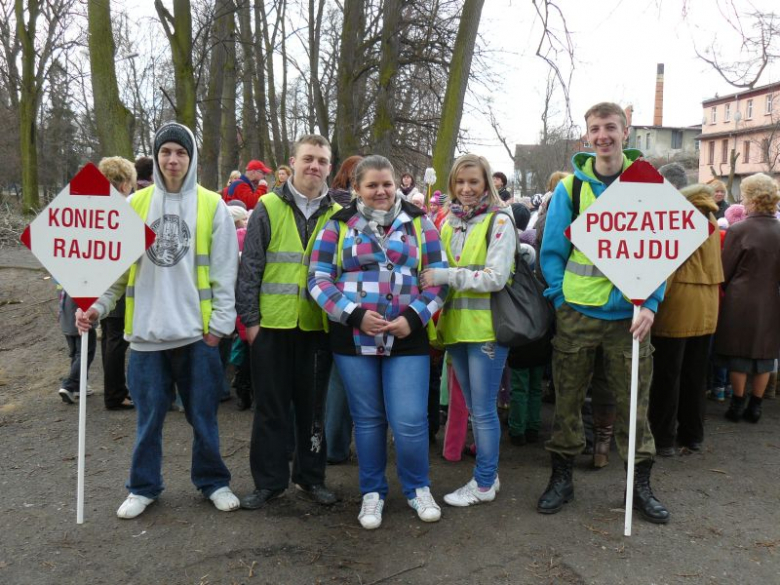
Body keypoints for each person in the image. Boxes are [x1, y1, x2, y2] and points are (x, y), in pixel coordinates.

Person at [76, 122, 240, 519]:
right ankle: (143, 486)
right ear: (156, 155)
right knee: (148, 420)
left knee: (203, 416)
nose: (172, 159)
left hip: (196, 335)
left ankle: (213, 481)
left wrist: (219, 326)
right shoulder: (135, 206)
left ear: (191, 157)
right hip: (147, 335)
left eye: (180, 153)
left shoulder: (211, 204)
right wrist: (95, 306)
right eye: (165, 151)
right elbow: (115, 272)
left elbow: (224, 270)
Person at [538, 102, 669, 524]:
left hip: (630, 319)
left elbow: (664, 251)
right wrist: (560, 299)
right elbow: (552, 252)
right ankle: (562, 479)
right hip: (576, 314)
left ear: (625, 132)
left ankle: (640, 487)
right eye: (595, 129)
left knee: (636, 405)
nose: (603, 136)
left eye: (610, 127)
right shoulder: (571, 190)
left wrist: (650, 303)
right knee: (568, 401)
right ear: (587, 136)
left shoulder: (649, 185)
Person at [308, 154, 449, 529]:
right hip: (353, 335)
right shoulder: (337, 226)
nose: (381, 191)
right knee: (367, 421)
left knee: (410, 420)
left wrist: (413, 317)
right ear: (356, 188)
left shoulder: (420, 223)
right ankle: (372, 492)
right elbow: (318, 280)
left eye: (386, 183)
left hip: (406, 335)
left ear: (397, 184)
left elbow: (438, 280)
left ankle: (418, 487)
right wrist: (354, 314)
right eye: (371, 185)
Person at [236, 134, 341, 510]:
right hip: (272, 328)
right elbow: (250, 269)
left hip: (317, 330)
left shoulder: (337, 214)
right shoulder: (266, 206)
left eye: (322, 161)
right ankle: (269, 482)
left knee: (314, 409)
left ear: (329, 167)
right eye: (308, 159)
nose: (314, 166)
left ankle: (311, 478)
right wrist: (250, 323)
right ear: (292, 162)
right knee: (270, 408)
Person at [420, 153, 516, 507]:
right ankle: (488, 474)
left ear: (487, 183)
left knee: (484, 409)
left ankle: (484, 482)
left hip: (487, 331)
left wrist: (445, 276)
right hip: (456, 329)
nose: (466, 189)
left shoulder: (499, 220)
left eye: (474, 182)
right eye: (460, 182)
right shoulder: (449, 222)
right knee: (477, 408)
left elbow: (495, 277)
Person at [648, 170, 724, 456]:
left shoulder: (679, 215)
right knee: (695, 374)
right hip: (707, 304)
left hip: (678, 305)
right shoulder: (710, 215)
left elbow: (667, 266)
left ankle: (663, 438)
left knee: (668, 375)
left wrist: (648, 301)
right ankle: (693, 434)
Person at [715, 173, 780, 424]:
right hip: (771, 298)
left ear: (750, 198)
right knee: (764, 355)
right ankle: (756, 407)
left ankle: (737, 405)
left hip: (740, 298)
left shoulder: (738, 229)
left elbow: (724, 270)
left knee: (738, 355)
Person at [97, 156, 137, 410]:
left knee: (109, 338)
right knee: (116, 339)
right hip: (117, 284)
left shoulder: (94, 207)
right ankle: (115, 393)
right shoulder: (124, 209)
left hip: (97, 281)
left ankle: (113, 390)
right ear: (123, 184)